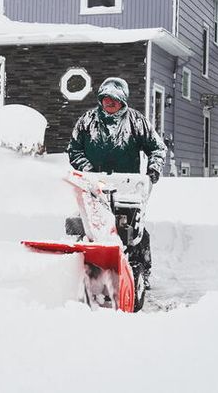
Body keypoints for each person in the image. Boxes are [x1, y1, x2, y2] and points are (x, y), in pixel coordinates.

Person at [67, 77, 167, 309]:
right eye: (106, 98)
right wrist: (88, 170)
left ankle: (140, 270)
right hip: (93, 187)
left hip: (128, 189)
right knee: (81, 225)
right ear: (101, 99)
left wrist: (153, 170)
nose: (110, 103)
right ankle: (81, 268)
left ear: (123, 100)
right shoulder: (87, 121)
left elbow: (157, 148)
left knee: (132, 232)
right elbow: (74, 149)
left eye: (115, 99)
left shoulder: (136, 121)